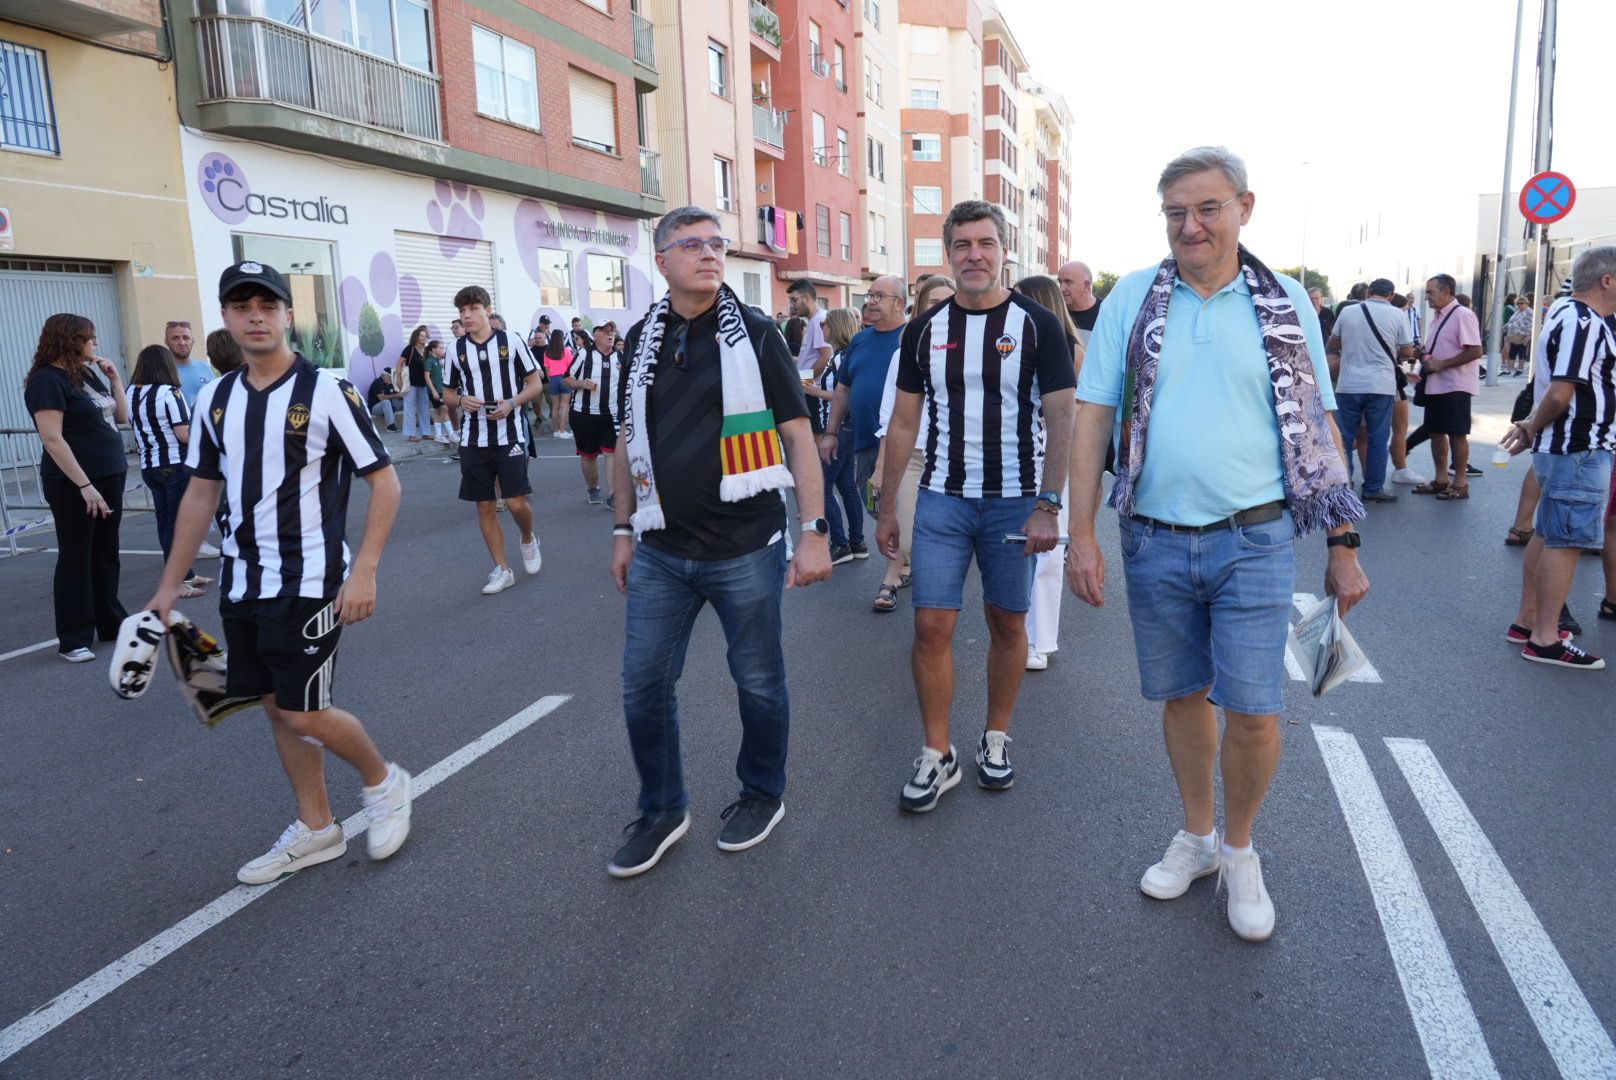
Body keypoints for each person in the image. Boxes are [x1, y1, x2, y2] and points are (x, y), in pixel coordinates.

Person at [1066, 146, 1368, 942]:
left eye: (1207, 209)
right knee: (1181, 697)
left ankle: (1241, 851)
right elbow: (1093, 415)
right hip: (1154, 539)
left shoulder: (1286, 300)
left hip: (1255, 538)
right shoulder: (1131, 296)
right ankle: (1198, 836)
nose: (1190, 225)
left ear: (1244, 207)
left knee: (1257, 710)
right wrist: (1082, 537)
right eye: (1175, 213)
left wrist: (1343, 542)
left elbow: (1320, 420)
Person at [144, 259, 412, 886]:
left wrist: (365, 569)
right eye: (242, 305)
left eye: (267, 303)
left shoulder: (328, 391)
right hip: (243, 580)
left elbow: (386, 483)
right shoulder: (214, 397)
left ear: (289, 314)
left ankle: (384, 782)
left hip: (313, 579)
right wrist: (166, 585)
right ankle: (317, 825)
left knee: (303, 711)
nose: (255, 315)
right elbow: (200, 495)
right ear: (228, 317)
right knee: (273, 705)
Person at [605, 207, 831, 877]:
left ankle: (763, 793)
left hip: (745, 546)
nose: (710, 254)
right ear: (663, 260)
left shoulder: (756, 334)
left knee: (758, 682)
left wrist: (814, 533)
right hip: (660, 550)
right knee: (643, 686)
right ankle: (663, 808)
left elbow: (796, 435)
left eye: (717, 244)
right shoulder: (640, 338)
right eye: (693, 244)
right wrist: (622, 529)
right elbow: (627, 440)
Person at [878, 199, 1077, 812]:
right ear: (948, 253)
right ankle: (938, 754)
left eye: (985, 244)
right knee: (931, 624)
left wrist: (1049, 504)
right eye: (962, 245)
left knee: (1008, 624)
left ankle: (996, 736)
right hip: (941, 498)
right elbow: (904, 422)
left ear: (1003, 251)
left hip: (1014, 503)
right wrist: (887, 507)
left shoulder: (1038, 327)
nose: (974, 255)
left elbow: (1062, 414)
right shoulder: (922, 330)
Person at [1501, 246, 1616, 669]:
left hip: (1564, 444)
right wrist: (1531, 425)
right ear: (1607, 280)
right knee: (1566, 541)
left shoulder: (1566, 313)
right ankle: (1545, 639)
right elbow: (1562, 390)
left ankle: (1528, 622)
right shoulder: (1584, 322)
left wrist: (1533, 426)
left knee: (1548, 534)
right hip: (1580, 446)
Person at [24, 313, 131, 663]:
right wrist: (84, 485)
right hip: (74, 482)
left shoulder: (85, 374)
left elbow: (121, 418)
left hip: (110, 472)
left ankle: (111, 622)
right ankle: (74, 638)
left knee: (105, 550)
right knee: (76, 556)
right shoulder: (46, 381)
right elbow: (52, 438)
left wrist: (114, 379)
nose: (96, 343)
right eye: (90, 337)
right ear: (71, 339)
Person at [444, 285, 546, 594]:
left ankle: (528, 538)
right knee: (485, 505)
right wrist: (461, 401)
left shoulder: (510, 341)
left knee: (516, 503)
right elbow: (447, 393)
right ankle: (502, 569)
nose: (466, 316)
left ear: (487, 310)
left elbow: (535, 384)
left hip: (510, 433)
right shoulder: (455, 349)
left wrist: (512, 403)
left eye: (473, 309)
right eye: (462, 311)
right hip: (474, 439)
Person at [818, 276, 909, 610]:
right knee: (875, 504)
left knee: (895, 505)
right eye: (869, 295)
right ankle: (906, 554)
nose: (869, 301)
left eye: (878, 295)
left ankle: (892, 575)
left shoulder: (912, 338)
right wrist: (831, 432)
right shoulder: (859, 341)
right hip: (862, 439)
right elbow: (843, 390)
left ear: (899, 303)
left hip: (904, 443)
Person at [1013, 274, 1084, 670]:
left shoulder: (1070, 349)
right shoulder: (1014, 342)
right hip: (1016, 457)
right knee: (1015, 547)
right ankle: (1016, 632)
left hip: (1054, 461)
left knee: (1050, 551)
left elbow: (1078, 414)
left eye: (1022, 299)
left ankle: (1040, 640)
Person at [128, 344, 207, 599]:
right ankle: (178, 581)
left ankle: (186, 574)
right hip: (174, 464)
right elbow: (184, 434)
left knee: (166, 522)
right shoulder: (170, 393)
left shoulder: (131, 392)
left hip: (149, 465)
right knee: (179, 525)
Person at [1327, 277, 1416, 502]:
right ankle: (1373, 488)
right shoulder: (1398, 314)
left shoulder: (1348, 312)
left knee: (1344, 437)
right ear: (1390, 295)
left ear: (1369, 293)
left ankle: (1342, 486)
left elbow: (1333, 344)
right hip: (1381, 385)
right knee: (1378, 437)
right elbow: (1407, 352)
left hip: (1348, 385)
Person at [1409, 274, 1484, 499]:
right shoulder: (1438, 317)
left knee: (1457, 434)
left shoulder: (1462, 314)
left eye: (1431, 292)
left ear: (1446, 291)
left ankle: (1460, 483)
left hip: (1455, 385)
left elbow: (1475, 350)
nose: (1427, 297)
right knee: (1436, 432)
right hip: (1436, 385)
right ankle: (1441, 479)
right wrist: (1424, 354)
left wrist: (1442, 364)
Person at [806, 307, 864, 563]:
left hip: (839, 428)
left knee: (822, 486)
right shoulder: (841, 356)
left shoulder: (843, 358)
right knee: (846, 487)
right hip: (843, 428)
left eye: (825, 324)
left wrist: (815, 393)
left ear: (836, 327)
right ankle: (856, 543)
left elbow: (848, 396)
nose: (821, 328)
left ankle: (841, 544)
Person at [563, 322, 621, 506]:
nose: (610, 336)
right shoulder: (583, 354)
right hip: (584, 414)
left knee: (611, 453)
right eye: (605, 333)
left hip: (612, 414)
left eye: (612, 332)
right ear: (596, 337)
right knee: (589, 455)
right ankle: (593, 488)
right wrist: (581, 384)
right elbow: (567, 379)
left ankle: (613, 495)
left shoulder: (621, 356)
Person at [397, 324, 433, 442]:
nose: (424, 337)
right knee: (410, 409)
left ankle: (426, 433)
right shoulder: (410, 348)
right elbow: (399, 363)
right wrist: (398, 379)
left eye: (424, 335)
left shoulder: (426, 350)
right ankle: (411, 434)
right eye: (421, 335)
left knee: (424, 409)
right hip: (411, 384)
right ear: (416, 337)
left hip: (423, 384)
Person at [166, 319, 213, 408]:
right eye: (175, 338)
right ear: (166, 342)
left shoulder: (205, 368)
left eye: (186, 338)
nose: (182, 343)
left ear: (193, 341)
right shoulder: (161, 371)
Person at [788, 280, 831, 376]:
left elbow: (826, 357)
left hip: (813, 388)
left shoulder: (819, 320)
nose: (792, 305)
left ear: (806, 298)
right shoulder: (813, 320)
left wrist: (803, 382)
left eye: (794, 300)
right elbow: (810, 357)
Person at [1057, 260, 1102, 346]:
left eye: (1068, 282)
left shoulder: (1106, 314)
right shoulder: (1056, 313)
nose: (1062, 288)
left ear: (1087, 285)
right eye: (1060, 282)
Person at [542, 329, 573, 440]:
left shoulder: (547, 352)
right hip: (565, 379)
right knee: (564, 406)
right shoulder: (566, 350)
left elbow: (546, 368)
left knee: (555, 407)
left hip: (553, 379)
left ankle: (555, 431)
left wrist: (551, 379)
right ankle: (563, 431)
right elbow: (571, 366)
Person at [425, 338, 454, 444]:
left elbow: (445, 357)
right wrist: (433, 391)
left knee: (438, 411)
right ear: (433, 349)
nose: (442, 350)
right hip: (435, 391)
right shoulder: (429, 361)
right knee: (445, 409)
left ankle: (439, 435)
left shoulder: (436, 360)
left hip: (441, 389)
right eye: (440, 348)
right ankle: (450, 434)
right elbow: (427, 377)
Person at [1505, 299, 1534, 377]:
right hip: (1513, 335)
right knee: (1512, 351)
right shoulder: (1517, 312)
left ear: (1526, 303)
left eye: (1521, 303)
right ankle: (1510, 369)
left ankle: (1520, 369)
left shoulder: (1529, 312)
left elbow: (1531, 325)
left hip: (1522, 335)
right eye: (1518, 304)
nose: (1519, 305)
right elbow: (1511, 322)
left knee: (1521, 352)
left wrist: (1528, 336)